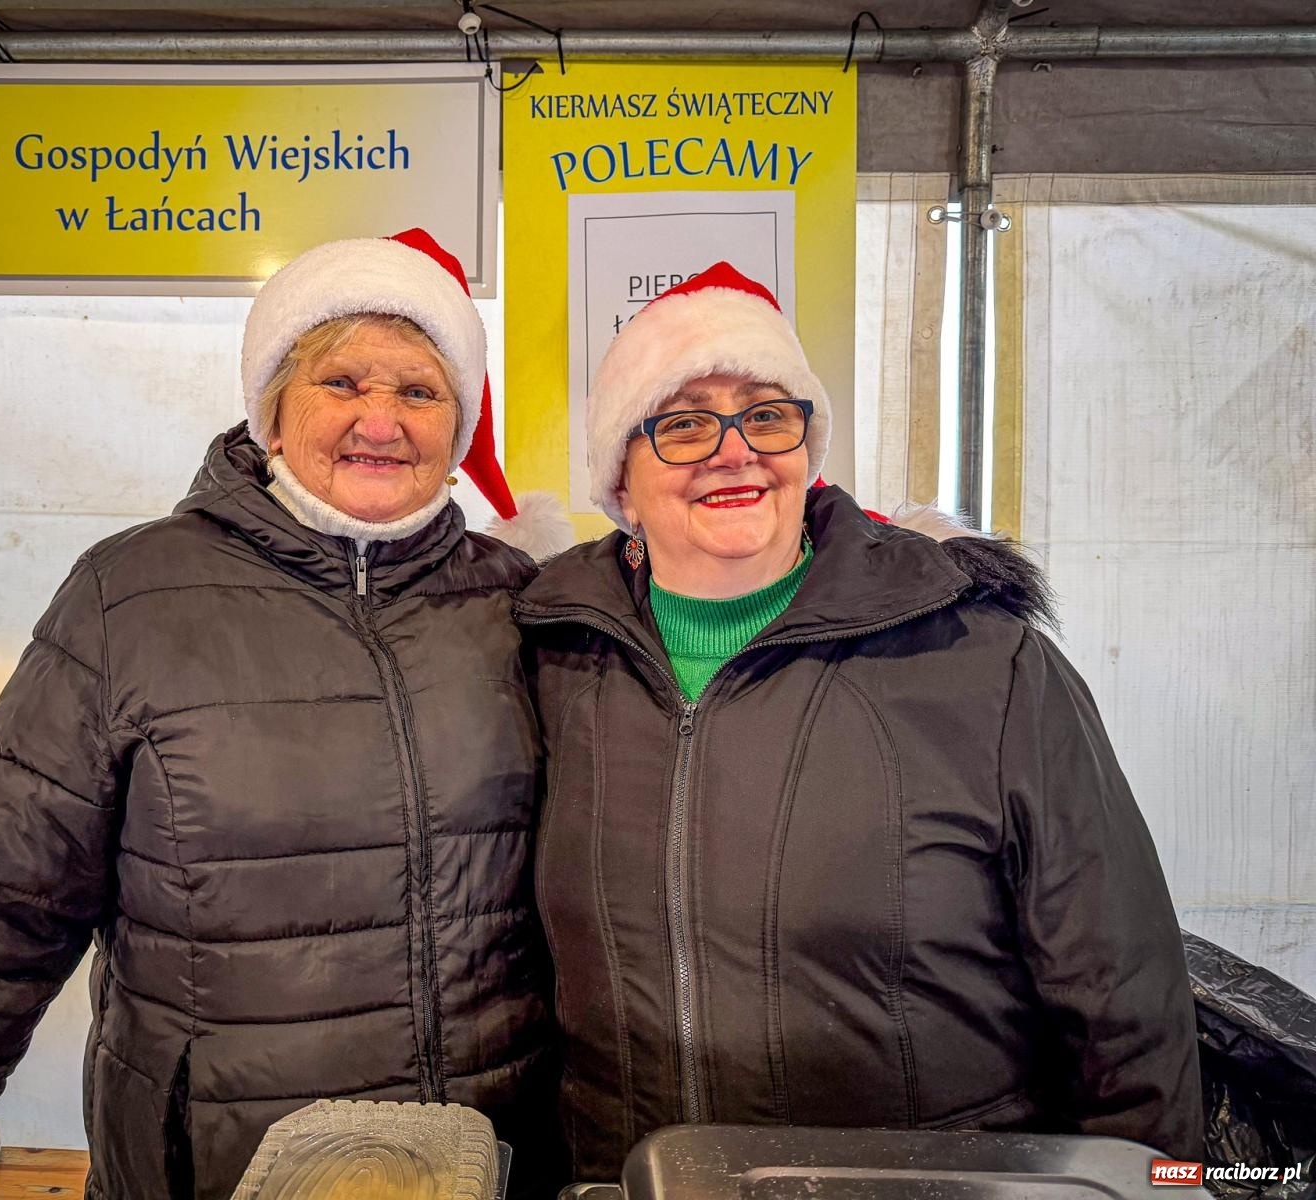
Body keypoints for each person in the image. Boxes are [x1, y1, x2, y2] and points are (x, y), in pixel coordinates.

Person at [0, 230, 571, 1200]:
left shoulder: (519, 606)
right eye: (341, 382)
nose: (381, 418)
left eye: (419, 390)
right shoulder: (133, 598)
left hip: (481, 1164)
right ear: (270, 412)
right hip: (219, 1171)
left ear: (457, 429)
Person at [515, 263, 1204, 1179]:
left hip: (929, 1188)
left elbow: (1123, 995)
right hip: (636, 1180)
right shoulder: (555, 659)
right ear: (621, 484)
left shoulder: (980, 659)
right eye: (682, 424)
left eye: (767, 414)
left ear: (807, 448)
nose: (735, 450)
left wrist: (1152, 1190)